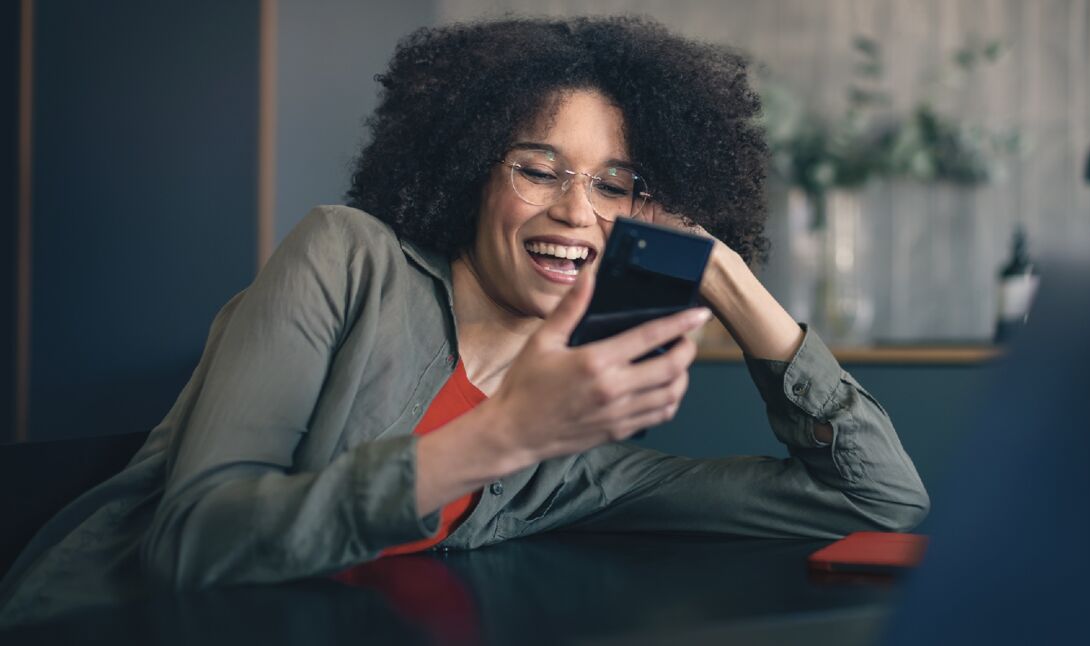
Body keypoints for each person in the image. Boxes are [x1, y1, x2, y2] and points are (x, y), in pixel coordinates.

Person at [0, 16, 927, 627]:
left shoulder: (565, 456)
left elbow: (878, 504)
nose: (577, 211)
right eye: (538, 167)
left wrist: (722, 268)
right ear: (471, 168)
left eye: (617, 186)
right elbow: (192, 544)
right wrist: (498, 435)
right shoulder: (346, 260)